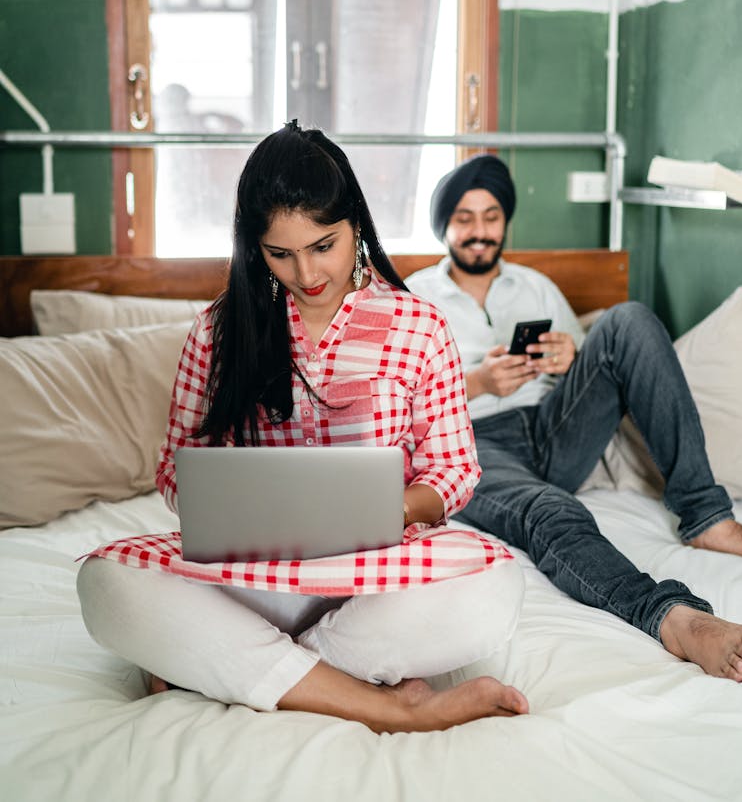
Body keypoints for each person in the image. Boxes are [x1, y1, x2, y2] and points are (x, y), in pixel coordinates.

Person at [77, 125, 528, 734]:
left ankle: (230, 667)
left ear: (357, 227)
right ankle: (388, 704)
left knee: (494, 586)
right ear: (254, 246)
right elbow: (176, 469)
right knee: (107, 582)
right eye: (280, 253)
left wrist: (392, 508)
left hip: (376, 577)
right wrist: (231, 509)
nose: (307, 273)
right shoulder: (218, 331)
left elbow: (454, 471)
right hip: (256, 579)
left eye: (324, 245)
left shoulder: (419, 326)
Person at [406, 153, 742, 683]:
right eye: (465, 218)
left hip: (551, 426)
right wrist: (476, 382)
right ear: (444, 226)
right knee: (551, 508)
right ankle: (673, 618)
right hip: (471, 445)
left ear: (505, 223)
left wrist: (573, 357)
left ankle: (707, 517)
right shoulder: (415, 298)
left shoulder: (535, 285)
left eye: (491, 217)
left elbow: (600, 364)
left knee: (629, 319)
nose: (479, 232)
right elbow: (399, 407)